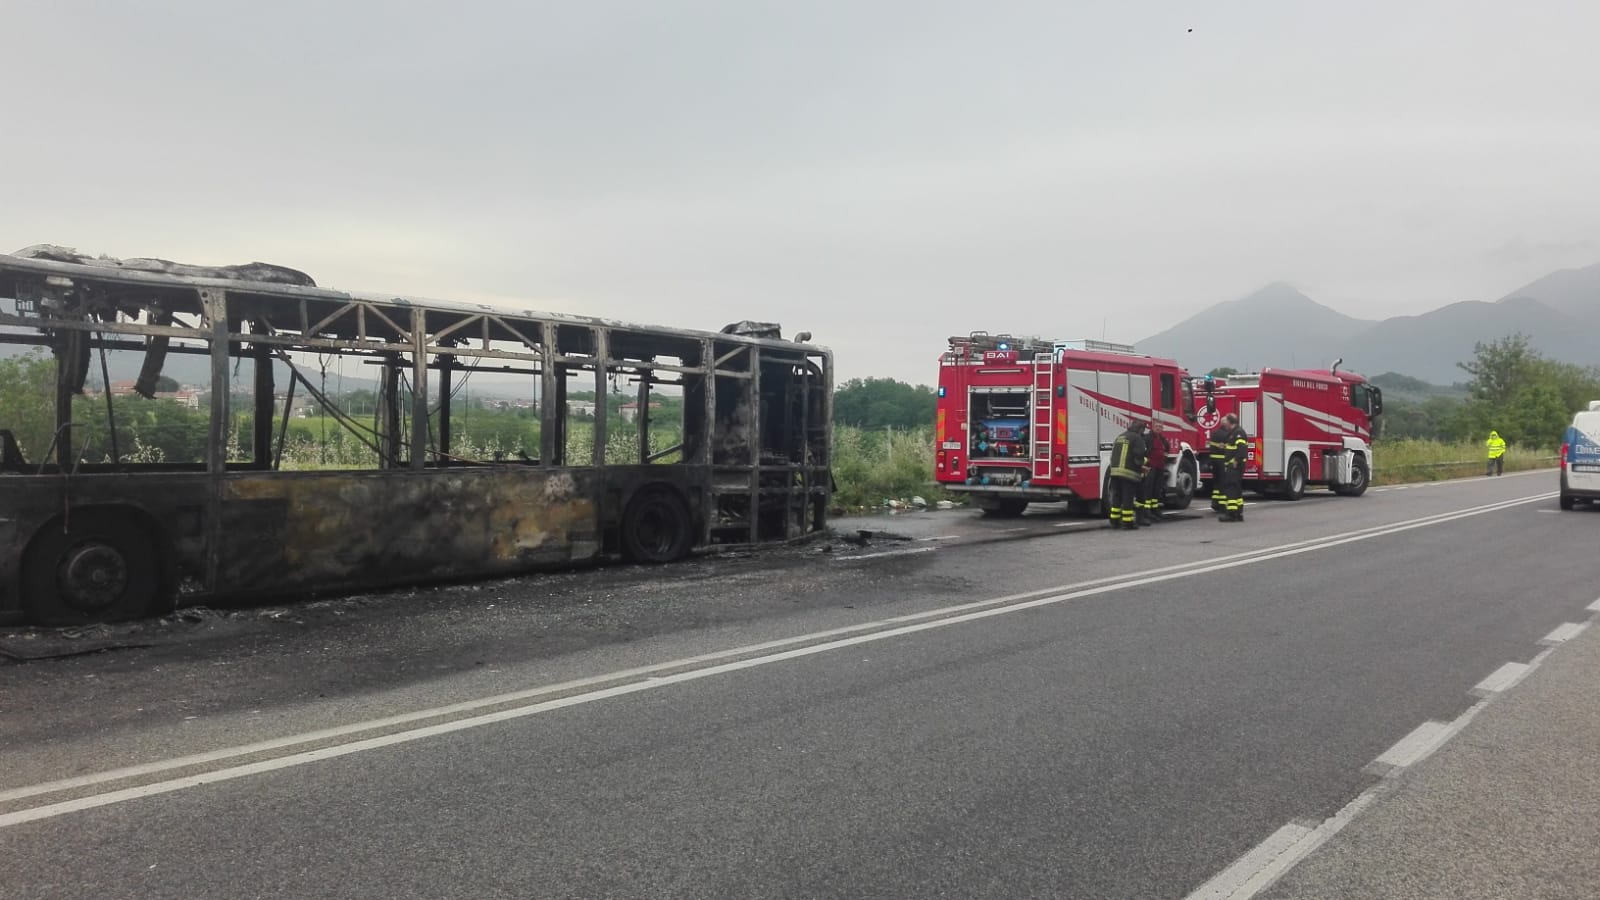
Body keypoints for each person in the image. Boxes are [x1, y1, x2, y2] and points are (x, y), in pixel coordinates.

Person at [1107, 419, 1147, 530]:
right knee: (1127, 498)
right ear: (1140, 429)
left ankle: (1114, 521)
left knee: (1117, 497)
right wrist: (1142, 465)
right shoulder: (1137, 438)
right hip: (1128, 473)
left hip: (1114, 472)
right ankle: (1127, 522)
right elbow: (1139, 455)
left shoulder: (1120, 436)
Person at [1217, 413, 1249, 522]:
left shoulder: (1238, 432)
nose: (1224, 423)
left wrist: (1236, 460)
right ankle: (1238, 513)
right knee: (1236, 489)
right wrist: (1225, 446)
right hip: (1234, 465)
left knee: (1231, 489)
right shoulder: (1234, 433)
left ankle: (1231, 514)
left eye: (1226, 421)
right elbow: (1234, 447)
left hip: (1234, 466)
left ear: (1230, 422)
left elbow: (1241, 449)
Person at [1138, 421, 1168, 524]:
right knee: (1148, 489)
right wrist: (1146, 465)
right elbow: (1143, 452)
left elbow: (1166, 451)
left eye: (1160, 427)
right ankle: (1147, 510)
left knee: (1157, 489)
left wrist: (1165, 459)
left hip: (1160, 467)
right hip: (1150, 468)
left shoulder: (1163, 440)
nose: (1158, 428)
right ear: (1152, 427)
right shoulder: (1147, 438)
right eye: (1156, 426)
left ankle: (1155, 509)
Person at [1207, 418, 1230, 512]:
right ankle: (1222, 505)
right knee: (1223, 483)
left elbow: (1211, 446)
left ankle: (1214, 502)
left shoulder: (1214, 433)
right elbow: (1228, 449)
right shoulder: (1227, 435)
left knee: (1216, 483)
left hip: (1213, 460)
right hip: (1222, 461)